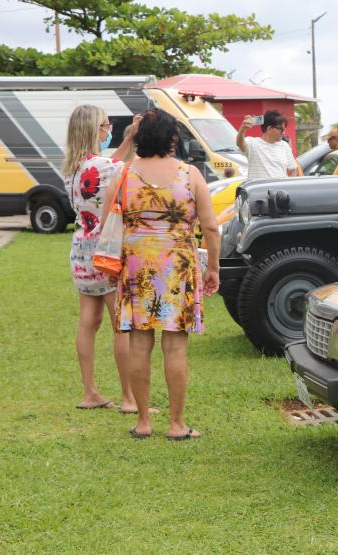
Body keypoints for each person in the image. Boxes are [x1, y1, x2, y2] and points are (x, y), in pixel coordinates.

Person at [101, 108, 220, 440]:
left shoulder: (124, 174)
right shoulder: (190, 174)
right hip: (177, 266)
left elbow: (106, 222)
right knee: (175, 347)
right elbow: (211, 227)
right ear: (173, 138)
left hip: (135, 265)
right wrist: (213, 267)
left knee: (139, 344)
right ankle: (177, 424)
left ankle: (143, 421)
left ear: (139, 138)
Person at [62, 105, 138, 411]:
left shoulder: (72, 168)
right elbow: (121, 168)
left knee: (88, 322)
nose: (110, 130)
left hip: (81, 251)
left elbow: (111, 163)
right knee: (121, 326)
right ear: (95, 129)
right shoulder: (107, 167)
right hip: (107, 251)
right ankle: (130, 398)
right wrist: (134, 139)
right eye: (106, 125)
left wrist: (129, 138)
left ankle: (89, 392)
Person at [236, 110, 297, 178]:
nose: (283, 133)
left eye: (284, 129)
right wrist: (243, 129)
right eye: (281, 129)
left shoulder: (285, 146)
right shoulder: (252, 143)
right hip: (259, 185)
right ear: (269, 128)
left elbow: (292, 171)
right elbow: (239, 144)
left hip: (280, 185)